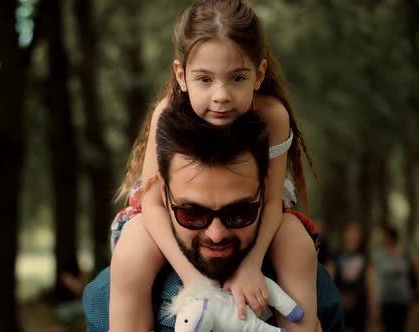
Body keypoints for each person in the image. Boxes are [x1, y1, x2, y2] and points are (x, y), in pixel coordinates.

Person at [109, 1, 319, 331]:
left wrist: (250, 264)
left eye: (237, 78)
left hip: (253, 207)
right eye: (204, 79)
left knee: (294, 241)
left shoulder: (272, 116)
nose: (221, 95)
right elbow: (151, 202)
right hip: (168, 210)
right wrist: (194, 281)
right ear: (181, 75)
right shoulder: (167, 111)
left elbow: (274, 199)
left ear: (259, 74)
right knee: (134, 247)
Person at [83, 103, 343, 331]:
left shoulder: (315, 287)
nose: (216, 234)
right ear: (164, 194)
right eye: (192, 213)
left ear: (266, 192)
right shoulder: (106, 298)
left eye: (239, 213)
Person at [371, 224, 419, 332]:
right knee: (388, 327)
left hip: (402, 297)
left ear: (391, 237)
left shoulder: (405, 252)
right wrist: (374, 299)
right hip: (385, 298)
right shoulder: (378, 254)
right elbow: (373, 275)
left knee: (400, 327)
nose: (382, 238)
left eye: (385, 236)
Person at [328, 222, 373, 332]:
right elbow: (329, 280)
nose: (352, 236)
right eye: (350, 232)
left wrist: (374, 306)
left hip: (360, 307)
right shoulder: (335, 256)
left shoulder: (365, 257)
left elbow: (371, 283)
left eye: (356, 233)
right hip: (338, 305)